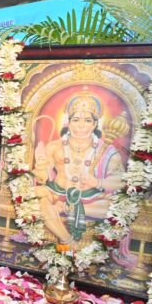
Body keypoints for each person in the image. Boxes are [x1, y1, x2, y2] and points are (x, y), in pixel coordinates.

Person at [33, 90, 125, 245]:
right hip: (58, 193)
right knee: (35, 195)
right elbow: (42, 178)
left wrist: (96, 182)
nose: (81, 125)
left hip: (90, 198)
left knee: (116, 207)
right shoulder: (55, 146)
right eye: (76, 120)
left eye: (87, 120)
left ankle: (68, 209)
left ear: (95, 123)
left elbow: (121, 181)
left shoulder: (106, 150)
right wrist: (41, 164)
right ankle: (68, 241)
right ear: (68, 122)